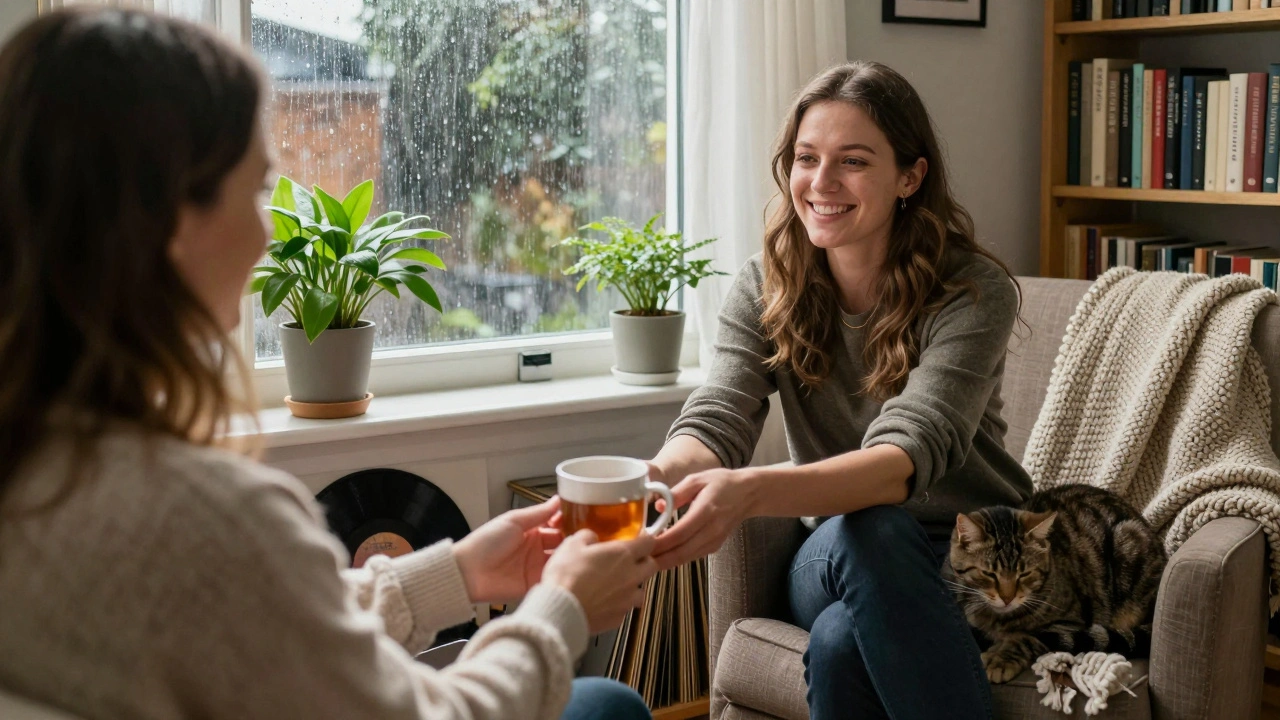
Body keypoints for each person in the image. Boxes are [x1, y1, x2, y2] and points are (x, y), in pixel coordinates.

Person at [0, 9, 654, 720]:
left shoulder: (38, 461)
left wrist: (458, 574)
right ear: (172, 223)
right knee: (606, 706)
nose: (265, 234)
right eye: (256, 192)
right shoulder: (210, 517)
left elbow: (247, 621)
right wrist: (560, 610)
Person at [648, 61, 1034, 720]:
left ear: (909, 177)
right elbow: (717, 419)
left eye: (852, 162)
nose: (821, 183)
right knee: (871, 533)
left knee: (836, 645)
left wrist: (750, 492)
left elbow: (906, 455)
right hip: (838, 551)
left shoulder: (972, 291)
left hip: (973, 556)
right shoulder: (766, 285)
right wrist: (654, 478)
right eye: (806, 158)